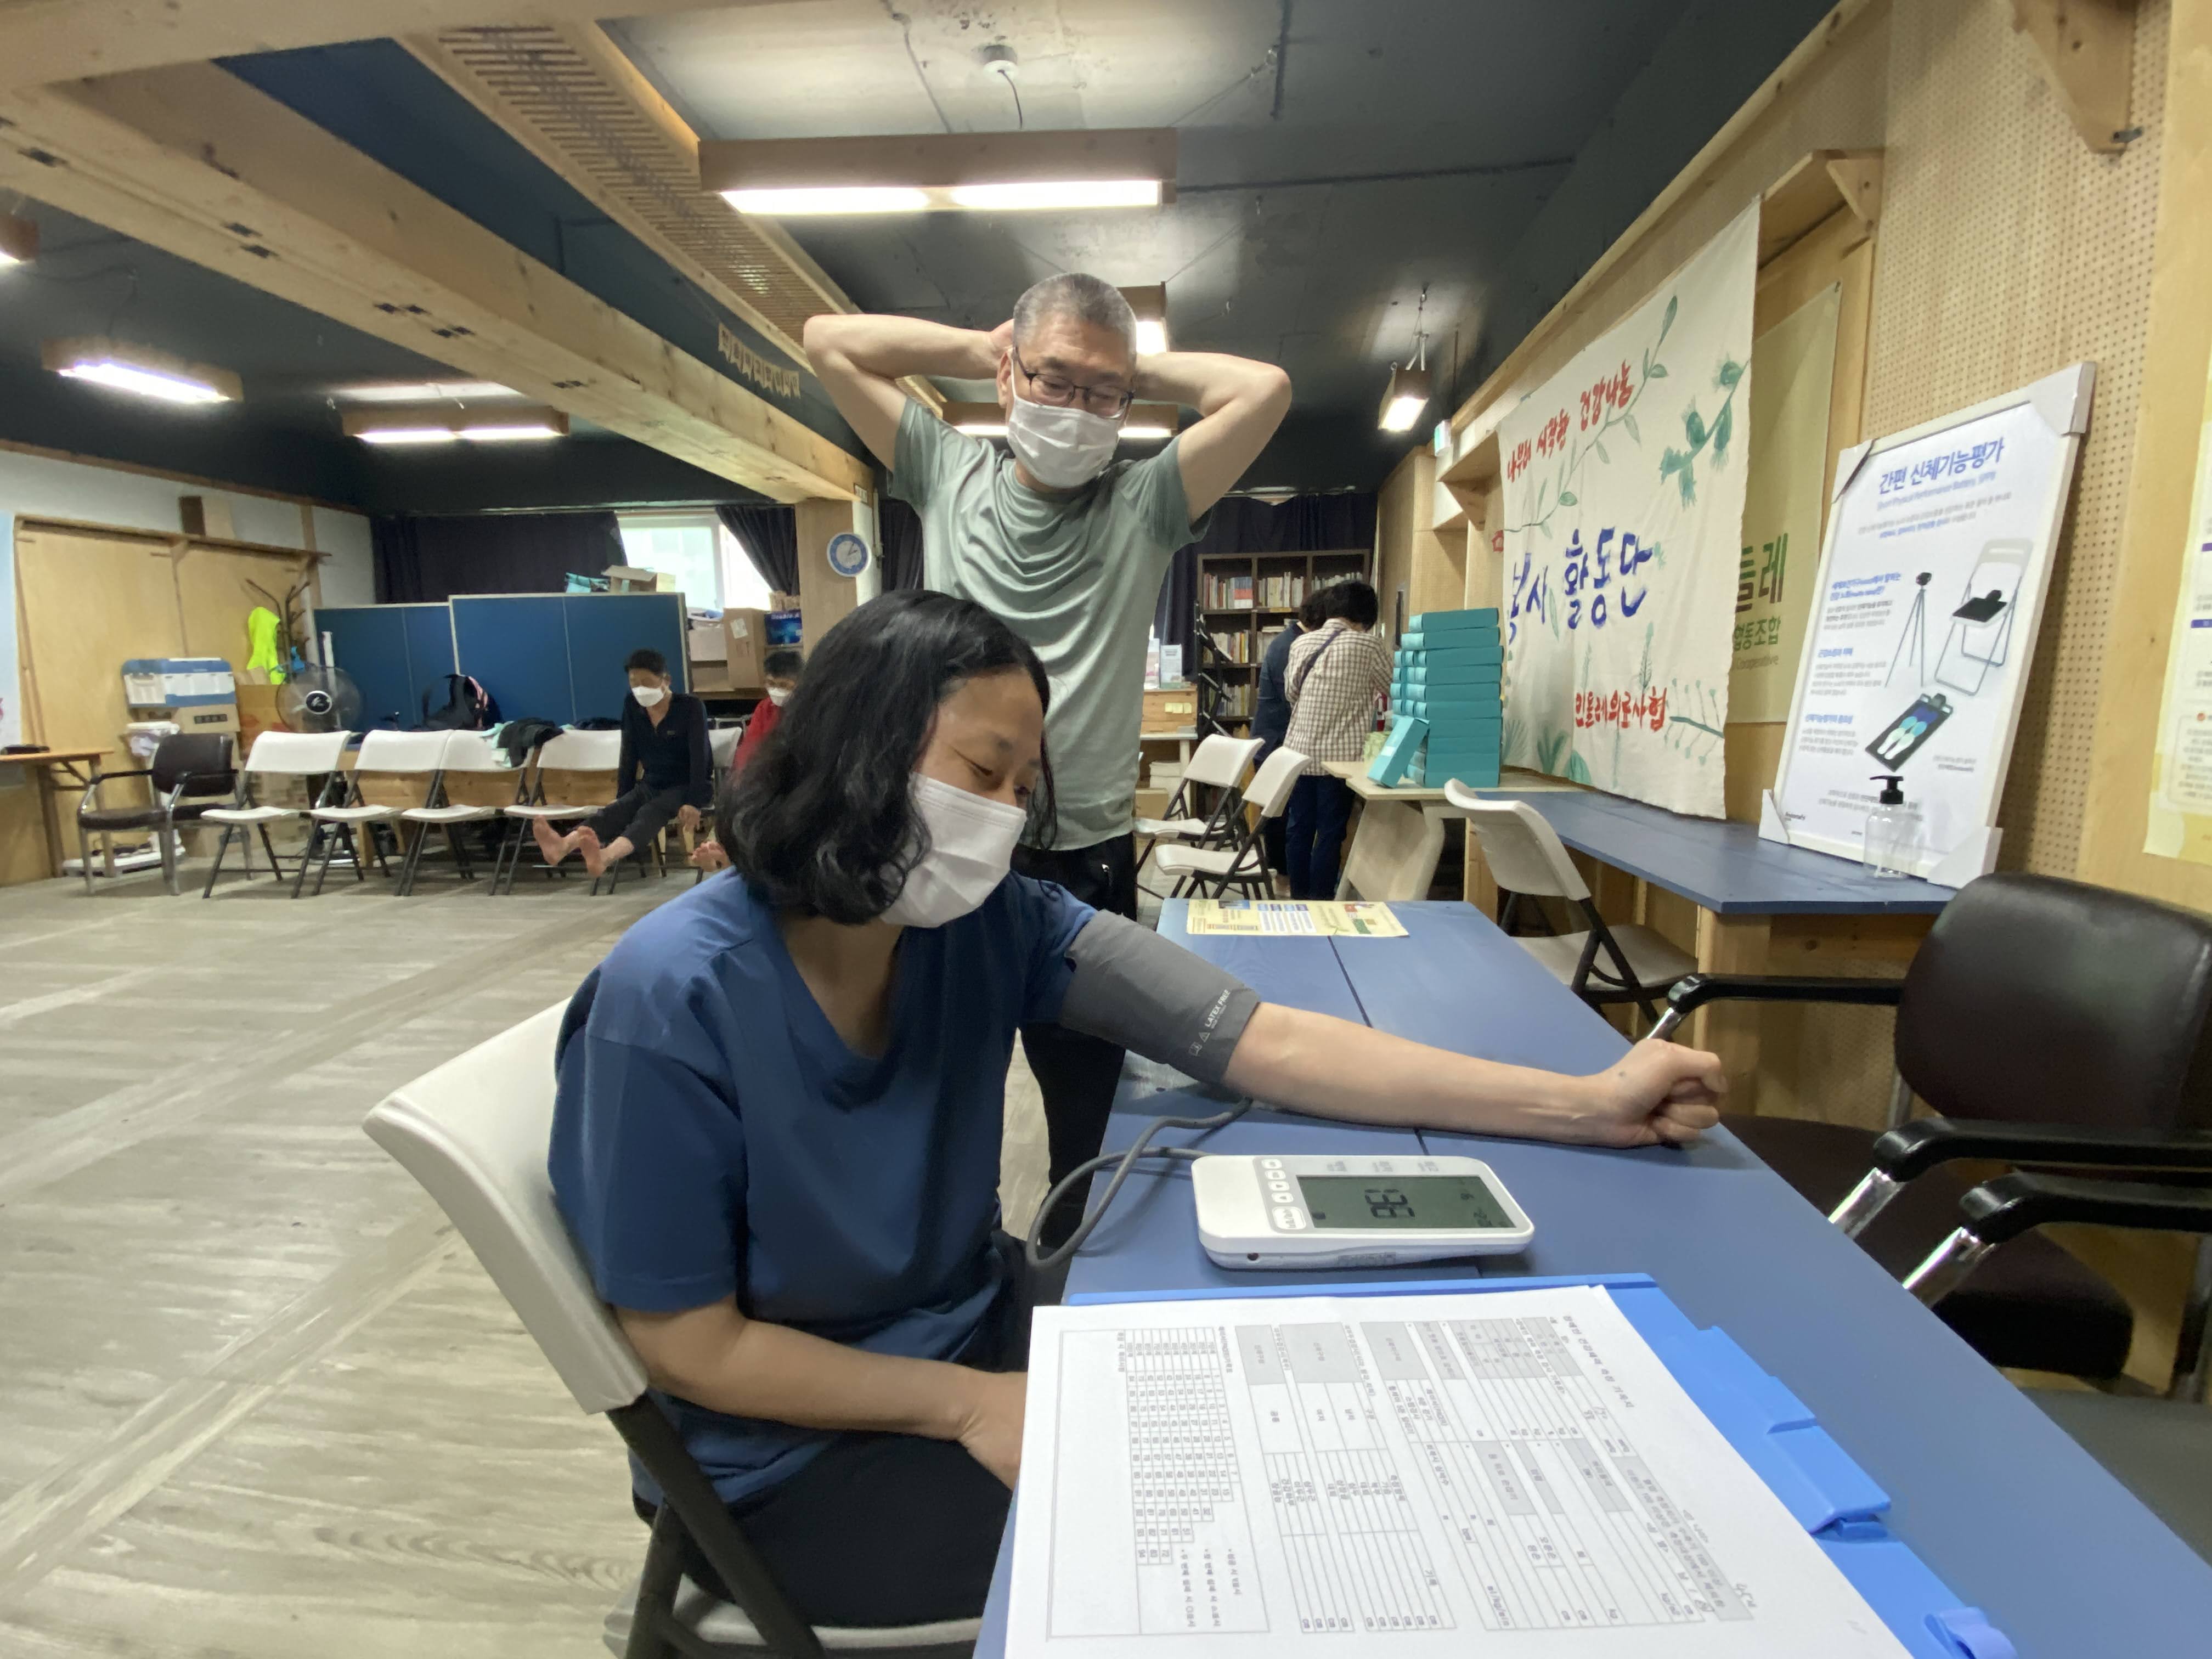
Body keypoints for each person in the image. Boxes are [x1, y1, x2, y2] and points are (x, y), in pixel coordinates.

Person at [550, 591, 1724, 1630]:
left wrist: (1587, 1104)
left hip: (965, 1331)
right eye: (981, 772)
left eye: (1022, 788)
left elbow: (1261, 1038)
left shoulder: (988, 921)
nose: (1004, 815)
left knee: (1270, 1400)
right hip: (789, 1456)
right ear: (857, 747)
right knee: (1211, 1551)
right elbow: (689, 1346)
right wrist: (965, 1404)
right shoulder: (671, 999)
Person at [805, 275, 1294, 1244]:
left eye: (1103, 393)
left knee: (1087, 1113)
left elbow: (1265, 389)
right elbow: (829, 341)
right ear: (1010, 375)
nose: (1076, 409)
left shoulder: (1148, 501)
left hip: (1082, 856)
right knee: (935, 1096)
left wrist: (1127, 369)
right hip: (940, 845)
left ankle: (1075, 1268)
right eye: (1055, 381)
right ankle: (948, 1271)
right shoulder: (946, 469)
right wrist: (979, 346)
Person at [532, 648, 710, 878]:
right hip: (652, 782)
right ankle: (563, 846)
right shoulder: (632, 706)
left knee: (650, 812)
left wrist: (694, 802)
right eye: (635, 684)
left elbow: (701, 757)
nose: (640, 689)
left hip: (685, 785)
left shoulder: (691, 707)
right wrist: (623, 794)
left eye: (647, 683)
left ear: (666, 680)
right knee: (617, 810)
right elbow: (629, 753)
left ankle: (606, 857)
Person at [1282, 579, 1392, 899]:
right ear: (1365, 614)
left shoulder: (1302, 643)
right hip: (1339, 760)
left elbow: (1291, 693)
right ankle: (1321, 902)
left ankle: (1299, 898)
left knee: (1299, 829)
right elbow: (1394, 687)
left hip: (1299, 754)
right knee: (1330, 834)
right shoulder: (1369, 646)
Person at [691, 651, 804, 873]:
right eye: (771, 683)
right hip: (764, 781)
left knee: (766, 814)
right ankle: (722, 852)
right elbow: (749, 751)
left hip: (796, 783)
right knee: (735, 803)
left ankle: (733, 859)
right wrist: (740, 784)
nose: (776, 690)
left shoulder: (812, 711)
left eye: (784, 685)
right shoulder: (765, 709)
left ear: (801, 683)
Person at [1251, 589, 1328, 885]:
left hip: (1275, 740)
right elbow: (1295, 702)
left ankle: (1284, 876)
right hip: (1277, 742)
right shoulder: (1292, 646)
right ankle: (1283, 880)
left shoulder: (1289, 641)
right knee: (1281, 818)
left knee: (1282, 817)